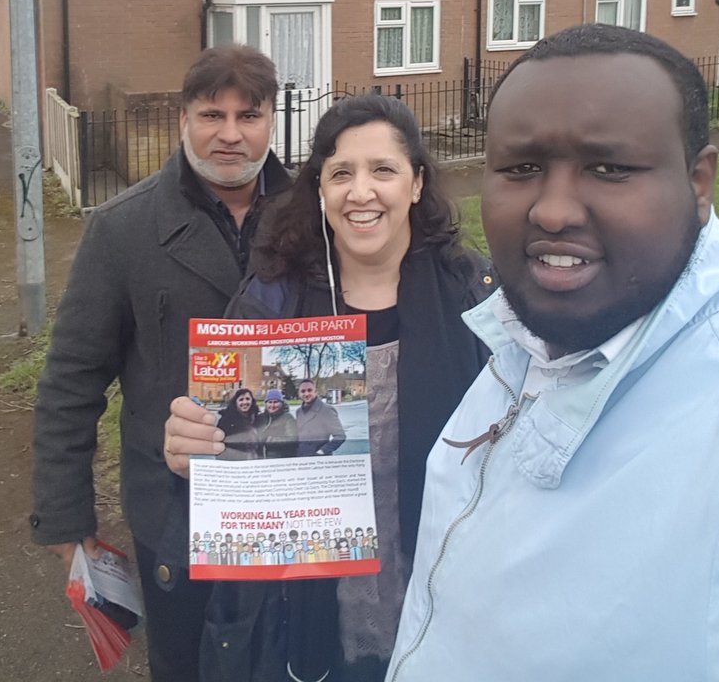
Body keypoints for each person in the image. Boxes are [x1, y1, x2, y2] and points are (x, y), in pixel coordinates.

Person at [388, 23, 719, 682]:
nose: (551, 211)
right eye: (521, 169)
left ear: (698, 181)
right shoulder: (527, 330)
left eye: (609, 168)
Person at [165, 93, 495, 681]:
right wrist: (196, 452)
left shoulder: (474, 297)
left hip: (450, 616)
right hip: (305, 626)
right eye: (341, 173)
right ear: (319, 189)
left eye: (384, 170)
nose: (361, 192)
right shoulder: (271, 305)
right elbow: (229, 448)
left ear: (417, 184)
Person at [29, 45, 291, 682]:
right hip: (177, 509)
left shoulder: (318, 214)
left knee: (294, 659)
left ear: (272, 122)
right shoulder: (123, 228)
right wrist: (67, 517)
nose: (230, 134)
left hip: (294, 499)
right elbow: (72, 379)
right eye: (212, 114)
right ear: (184, 119)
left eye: (249, 116)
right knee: (188, 665)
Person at [295, 378, 347, 456]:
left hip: (318, 459)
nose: (306, 394)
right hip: (301, 457)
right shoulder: (299, 411)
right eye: (303, 391)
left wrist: (322, 451)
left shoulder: (326, 410)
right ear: (299, 393)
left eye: (309, 390)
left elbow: (340, 436)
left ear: (315, 392)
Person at [216, 388, 261, 461]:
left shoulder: (257, 419)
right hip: (233, 462)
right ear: (235, 402)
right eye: (241, 400)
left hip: (253, 461)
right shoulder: (226, 420)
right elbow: (218, 443)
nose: (245, 402)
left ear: (252, 401)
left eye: (247, 399)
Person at [256, 388, 299, 458]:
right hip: (262, 459)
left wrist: (271, 440)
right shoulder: (261, 418)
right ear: (266, 404)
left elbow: (292, 439)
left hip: (281, 458)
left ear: (281, 403)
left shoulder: (288, 418)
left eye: (275, 402)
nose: (272, 405)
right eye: (270, 402)